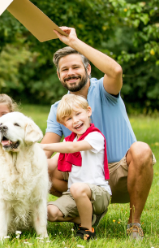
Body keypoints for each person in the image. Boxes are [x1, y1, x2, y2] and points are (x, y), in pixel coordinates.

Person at [41, 27, 156, 240]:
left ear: (88, 69)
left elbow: (116, 70)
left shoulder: (105, 90)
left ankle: (134, 223)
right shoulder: (58, 107)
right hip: (83, 178)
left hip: (121, 173)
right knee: (42, 169)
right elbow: (43, 153)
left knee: (141, 149)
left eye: (76, 67)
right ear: (59, 75)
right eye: (64, 69)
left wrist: (74, 42)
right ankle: (85, 214)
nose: (70, 73)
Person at [40, 94, 111, 240]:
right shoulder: (69, 140)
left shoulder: (95, 137)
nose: (76, 120)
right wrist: (26, 156)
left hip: (99, 193)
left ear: (88, 111)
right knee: (47, 212)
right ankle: (85, 217)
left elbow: (73, 147)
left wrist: (42, 146)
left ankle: (87, 229)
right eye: (69, 119)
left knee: (77, 187)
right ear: (64, 124)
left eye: (78, 114)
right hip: (74, 195)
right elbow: (50, 164)